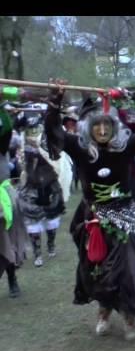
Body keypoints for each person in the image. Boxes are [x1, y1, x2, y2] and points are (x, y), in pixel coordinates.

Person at [43, 81, 135, 340]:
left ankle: (129, 316)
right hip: (93, 218)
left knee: (128, 268)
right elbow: (54, 131)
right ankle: (103, 312)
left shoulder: (125, 148)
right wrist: (54, 102)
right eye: (97, 125)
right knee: (96, 267)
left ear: (114, 128)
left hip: (124, 216)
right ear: (89, 129)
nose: (102, 129)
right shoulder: (80, 149)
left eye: (107, 125)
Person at [14, 110, 67, 267]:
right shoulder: (21, 146)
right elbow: (20, 166)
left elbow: (58, 160)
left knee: (51, 221)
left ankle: (51, 245)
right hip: (30, 188)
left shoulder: (49, 144)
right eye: (30, 130)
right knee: (33, 223)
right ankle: (37, 254)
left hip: (50, 186)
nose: (33, 133)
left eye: (36, 129)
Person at [0, 105, 28, 297]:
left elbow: (7, 129)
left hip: (3, 199)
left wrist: (0, 107)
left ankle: (12, 280)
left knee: (7, 241)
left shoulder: (2, 146)